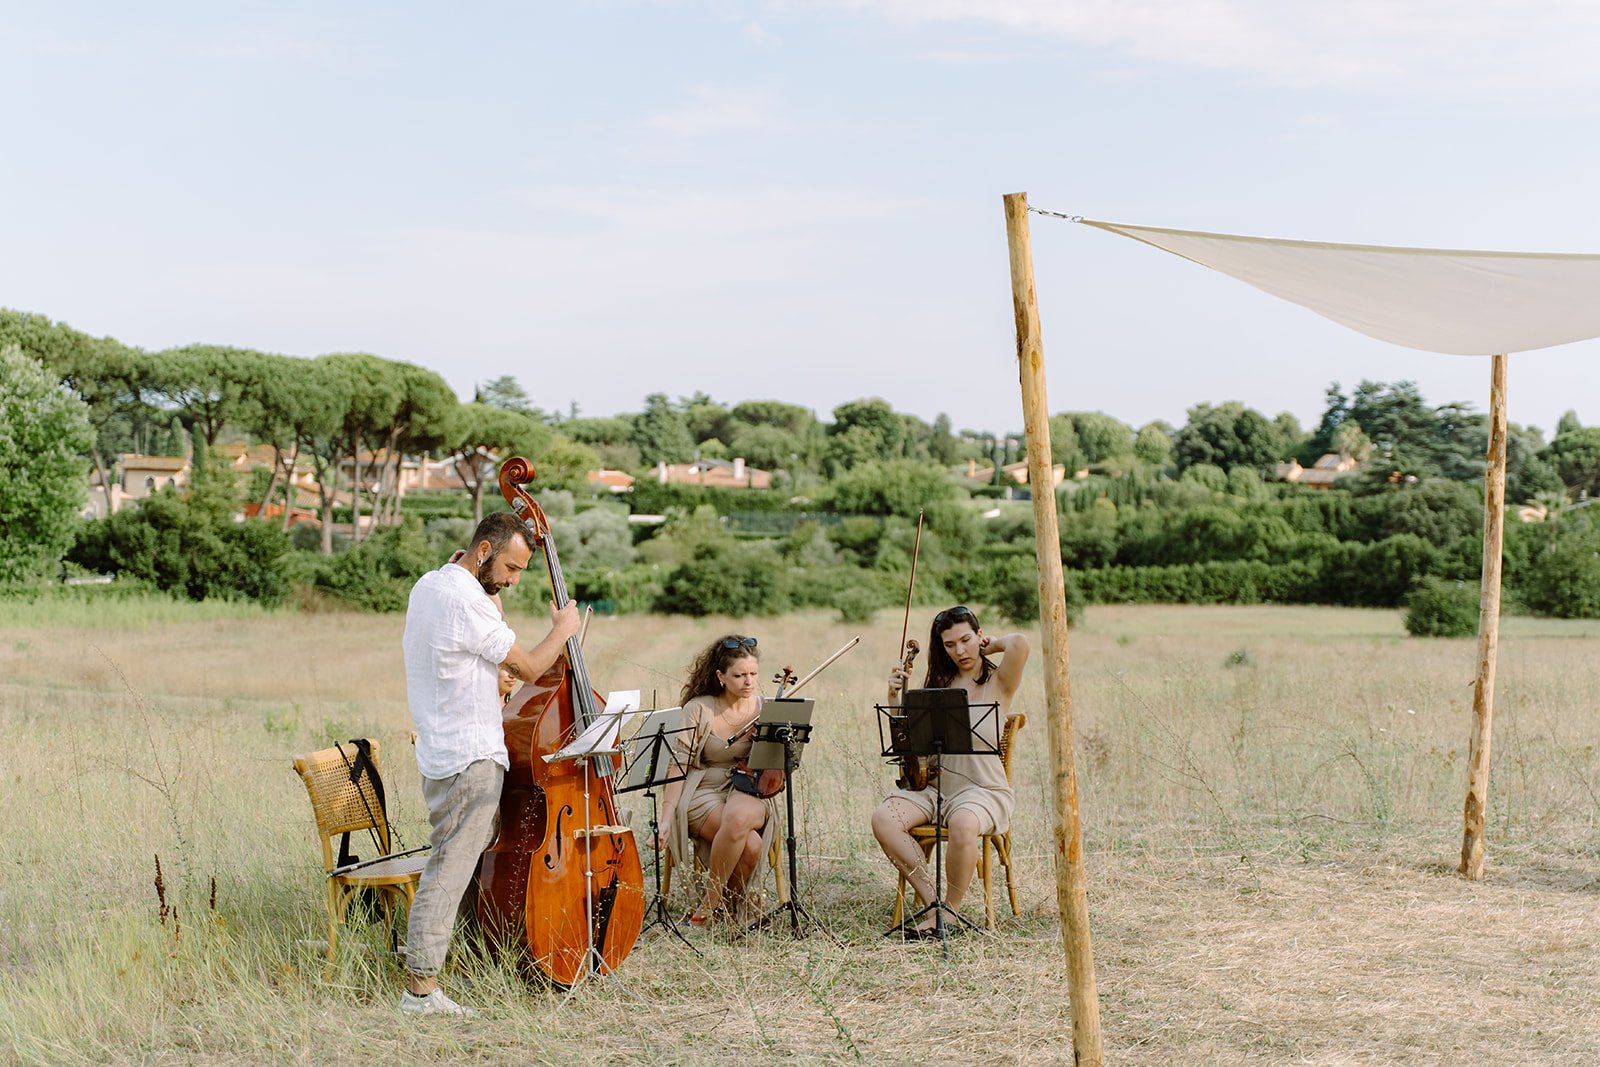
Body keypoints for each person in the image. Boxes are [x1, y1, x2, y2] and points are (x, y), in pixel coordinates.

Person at [398, 511, 581, 1016]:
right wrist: (563, 631)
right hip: (469, 755)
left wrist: (491, 602)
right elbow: (528, 667)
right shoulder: (466, 602)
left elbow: (466, 658)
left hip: (441, 750)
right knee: (451, 865)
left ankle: (433, 957)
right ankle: (420, 988)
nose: (514, 579)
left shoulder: (430, 586)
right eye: (511, 567)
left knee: (458, 858)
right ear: (483, 551)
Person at [871, 605, 1029, 938]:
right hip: (936, 789)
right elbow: (910, 742)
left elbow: (1021, 643)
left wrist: (993, 643)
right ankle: (933, 904)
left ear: (978, 635)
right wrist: (893, 694)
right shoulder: (939, 683)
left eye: (966, 640)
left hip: (983, 790)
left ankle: (953, 913)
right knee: (884, 818)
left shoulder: (998, 681)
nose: (959, 651)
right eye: (949, 644)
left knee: (964, 822)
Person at [653, 634, 780, 928]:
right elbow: (678, 764)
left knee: (739, 820)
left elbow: (781, 762)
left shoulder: (766, 708)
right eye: (739, 675)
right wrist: (666, 816)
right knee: (750, 844)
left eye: (753, 674)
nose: (748, 682)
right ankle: (727, 905)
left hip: (750, 786)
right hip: (702, 790)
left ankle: (708, 907)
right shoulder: (699, 708)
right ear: (721, 676)